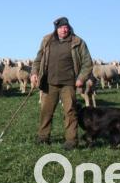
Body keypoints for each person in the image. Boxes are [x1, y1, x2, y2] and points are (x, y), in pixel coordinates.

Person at [30, 16, 93, 150]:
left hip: (68, 84)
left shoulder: (78, 42)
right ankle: (43, 137)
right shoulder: (47, 40)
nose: (64, 30)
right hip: (49, 83)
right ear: (56, 29)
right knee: (46, 111)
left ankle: (71, 140)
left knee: (70, 112)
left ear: (69, 28)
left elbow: (87, 63)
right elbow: (38, 59)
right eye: (61, 28)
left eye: (66, 27)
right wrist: (34, 73)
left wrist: (81, 78)